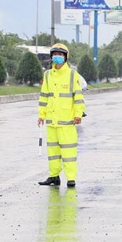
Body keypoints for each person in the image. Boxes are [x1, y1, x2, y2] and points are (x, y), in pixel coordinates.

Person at [38, 43, 86, 188]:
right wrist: (41, 115)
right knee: (53, 152)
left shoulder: (72, 74)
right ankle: (54, 177)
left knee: (68, 152)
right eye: (55, 54)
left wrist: (78, 114)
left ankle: (71, 179)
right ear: (51, 57)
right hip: (52, 121)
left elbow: (78, 96)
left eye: (60, 55)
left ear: (65, 57)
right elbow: (44, 96)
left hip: (67, 122)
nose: (57, 57)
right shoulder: (47, 75)